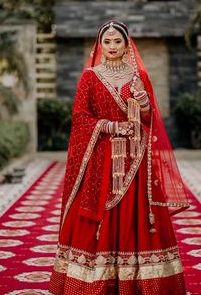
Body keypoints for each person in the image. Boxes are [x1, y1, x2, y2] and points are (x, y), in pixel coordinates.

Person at [49, 20, 190, 295]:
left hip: (135, 159)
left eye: (117, 41)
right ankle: (97, 281)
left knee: (136, 218)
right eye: (107, 41)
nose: (112, 46)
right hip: (101, 161)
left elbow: (150, 120)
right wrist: (111, 127)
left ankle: (139, 282)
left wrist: (144, 103)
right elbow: (79, 118)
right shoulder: (90, 76)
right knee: (102, 216)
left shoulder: (138, 76)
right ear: (100, 45)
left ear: (127, 45)